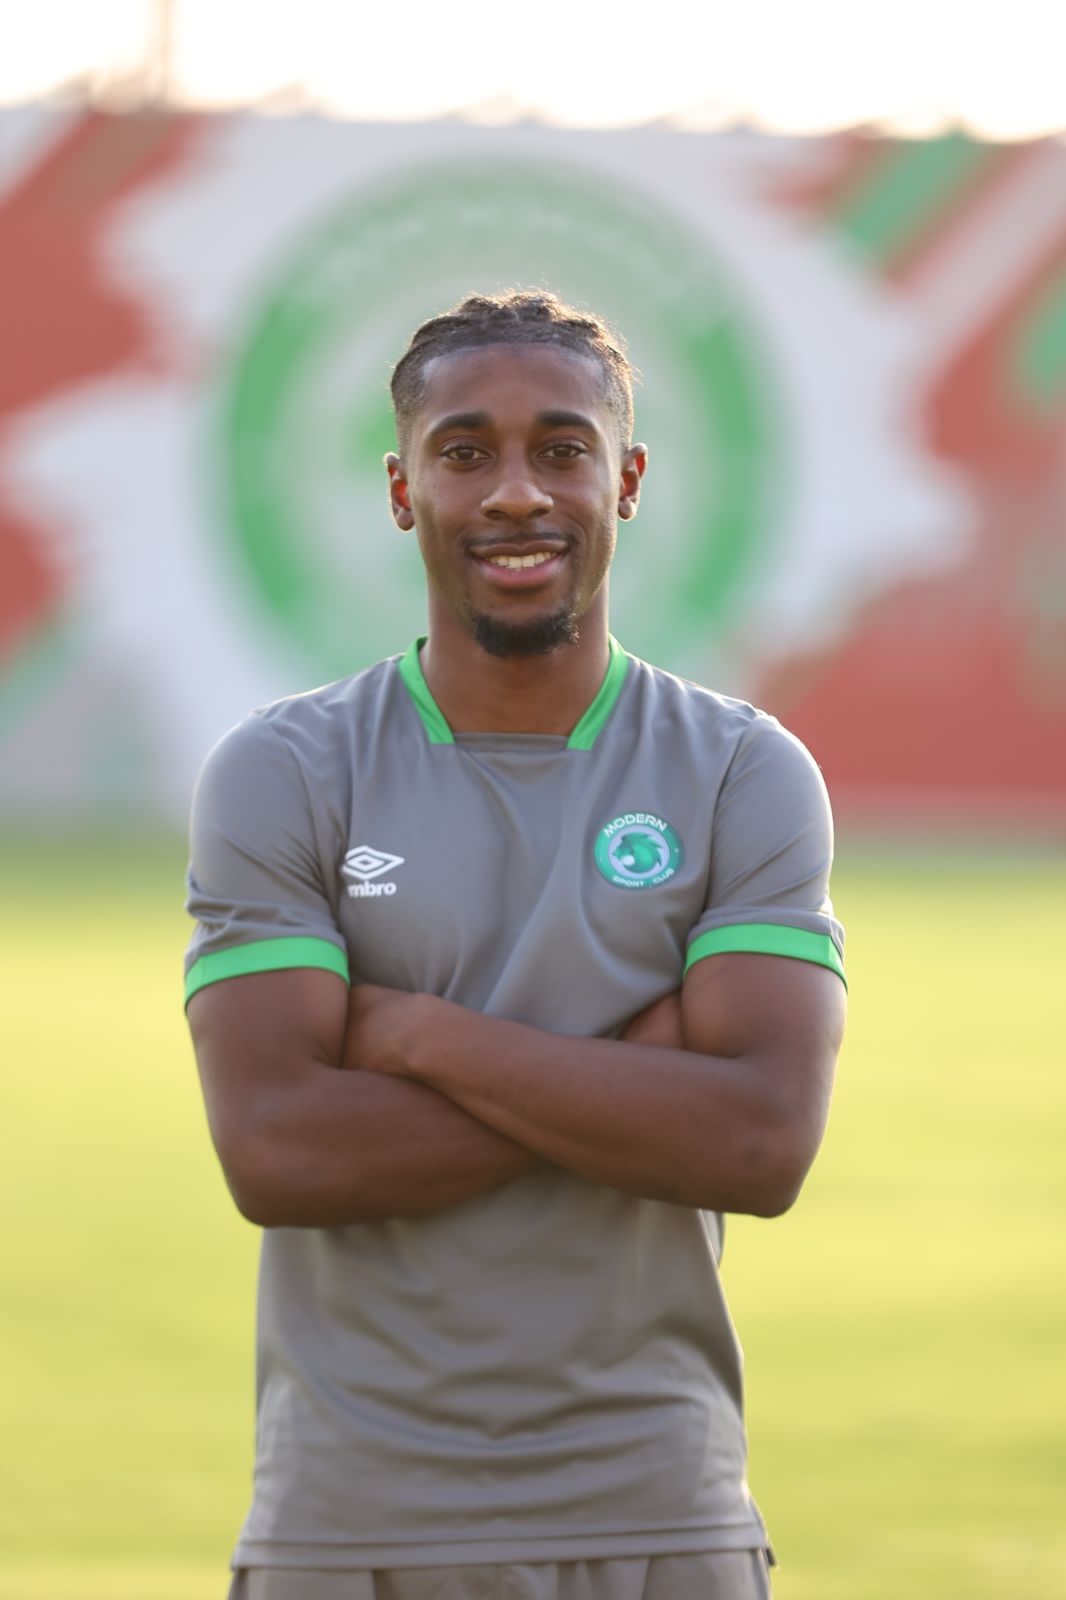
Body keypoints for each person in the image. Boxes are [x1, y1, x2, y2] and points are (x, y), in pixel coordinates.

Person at [184, 290, 847, 1600]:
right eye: (464, 451)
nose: (515, 493)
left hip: (661, 1512)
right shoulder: (287, 771)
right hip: (353, 1516)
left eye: (561, 448)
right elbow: (279, 1153)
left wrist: (419, 1036)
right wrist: (634, 1070)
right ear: (403, 490)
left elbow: (759, 1146)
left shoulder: (738, 771)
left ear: (627, 480)